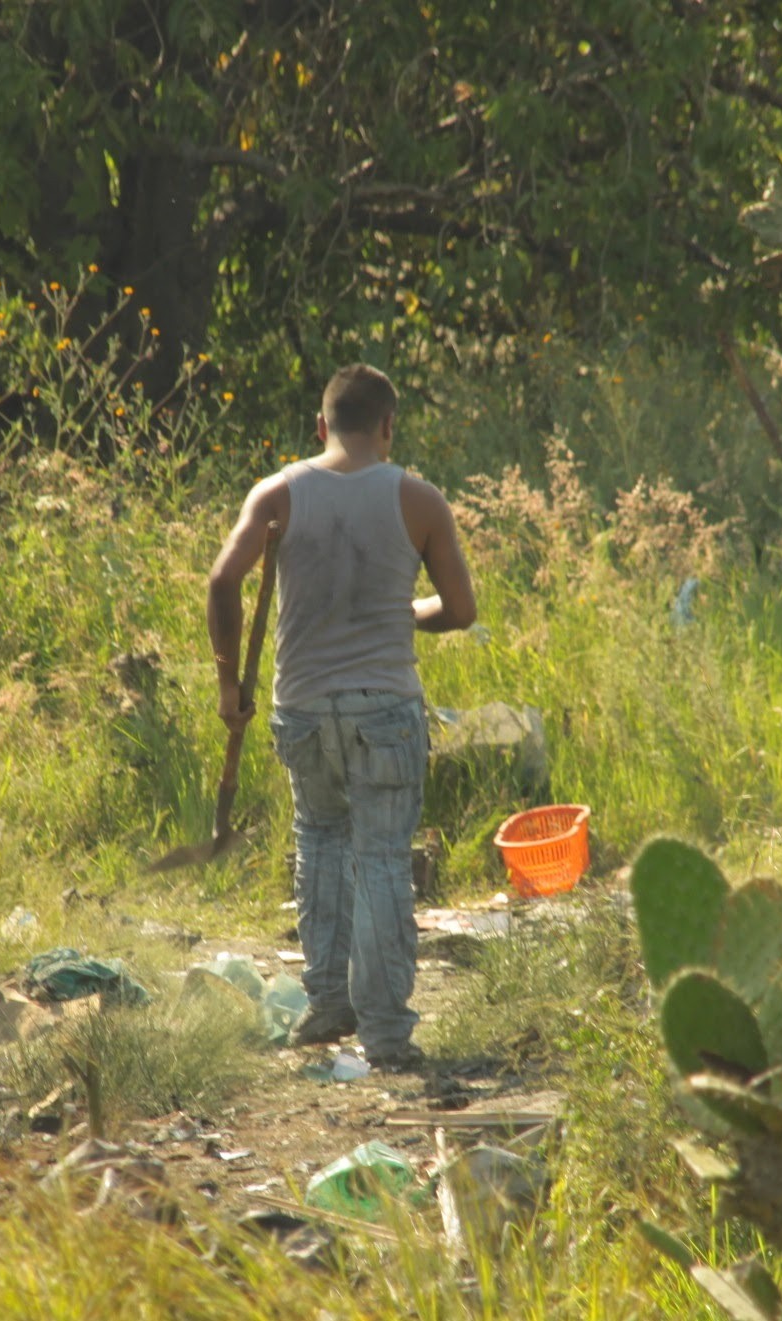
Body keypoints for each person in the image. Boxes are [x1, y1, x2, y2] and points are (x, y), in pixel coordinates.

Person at [205, 364, 477, 1072]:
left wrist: (228, 682)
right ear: (388, 426)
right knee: (383, 860)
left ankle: (329, 1005)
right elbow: (461, 611)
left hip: (301, 708)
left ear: (321, 426)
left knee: (320, 843)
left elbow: (222, 579)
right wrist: (407, 610)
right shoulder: (419, 500)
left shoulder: (277, 493)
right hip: (385, 707)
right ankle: (386, 1036)